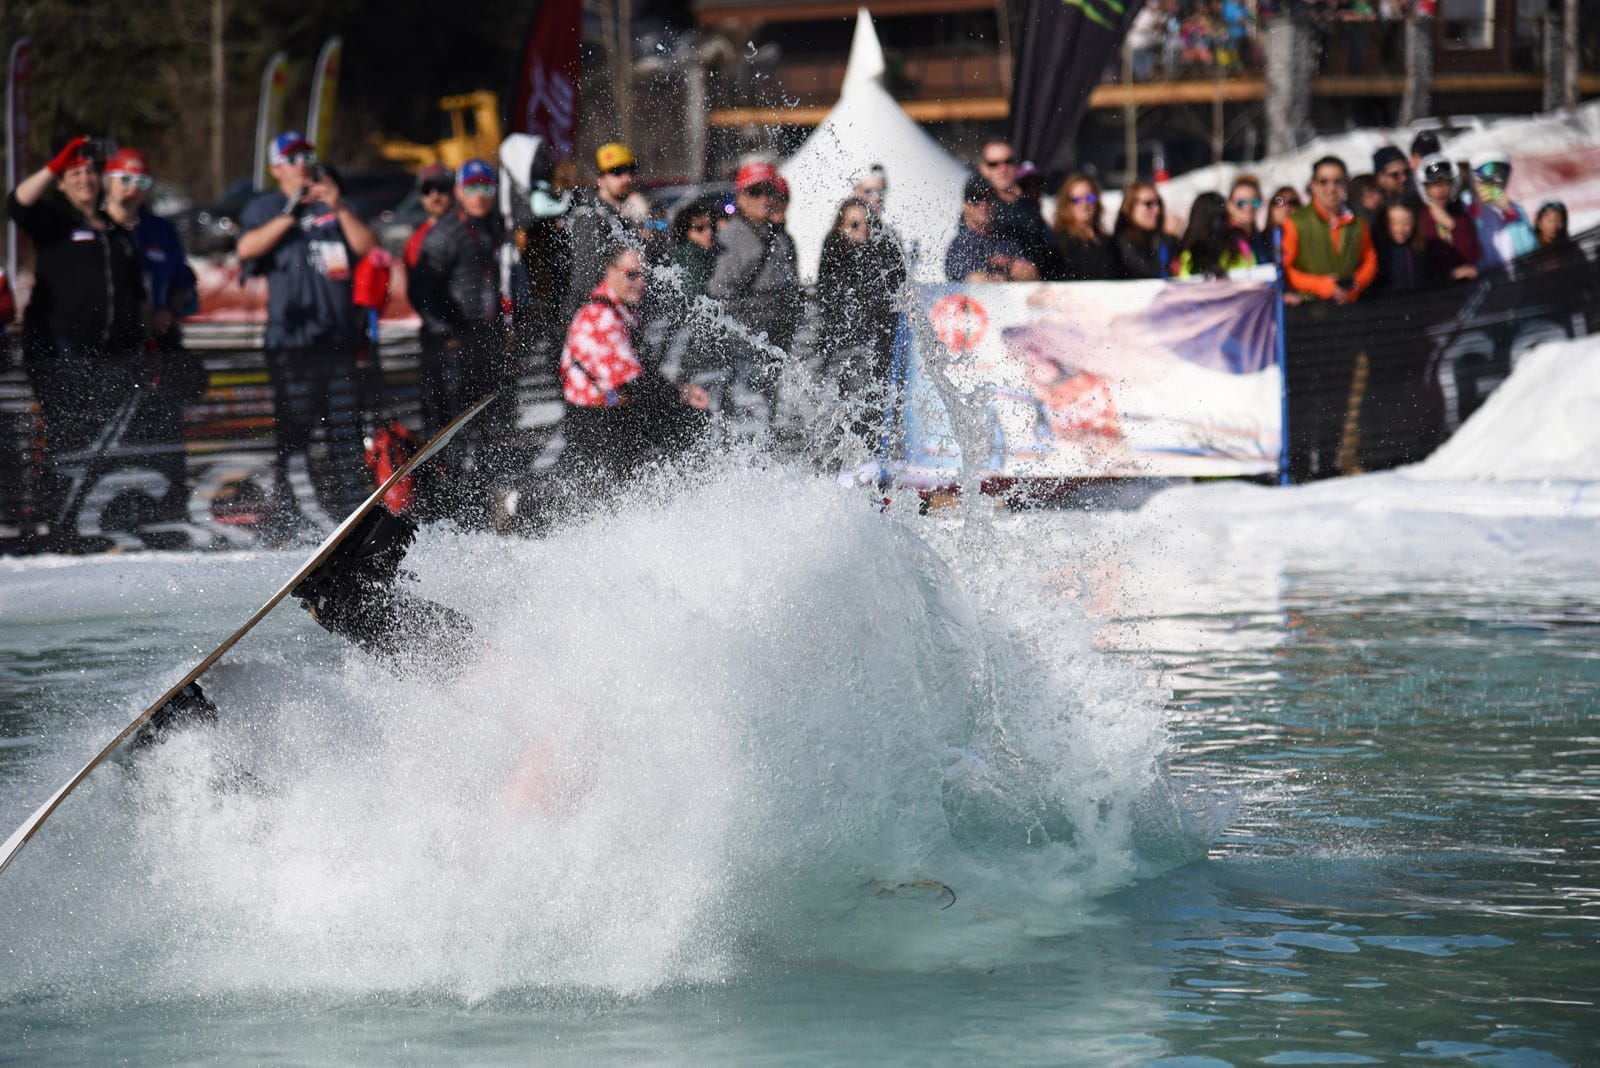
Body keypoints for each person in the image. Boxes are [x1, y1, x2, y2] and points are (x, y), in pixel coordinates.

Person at [5, 135, 147, 543]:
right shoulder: (55, 221)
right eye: (74, 173)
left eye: (88, 171)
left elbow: (136, 294)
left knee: (109, 440)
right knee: (68, 436)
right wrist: (54, 165)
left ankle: (99, 518)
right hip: (61, 350)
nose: (84, 178)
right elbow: (18, 204)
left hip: (116, 355)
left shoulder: (116, 231)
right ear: (63, 183)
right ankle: (59, 523)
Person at [237, 131, 378, 533]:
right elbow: (247, 249)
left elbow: (368, 247)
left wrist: (338, 205)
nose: (302, 163)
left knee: (345, 437)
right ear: (276, 167)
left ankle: (356, 516)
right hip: (292, 347)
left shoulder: (331, 203)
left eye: (306, 155)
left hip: (339, 344)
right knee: (295, 437)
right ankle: (288, 519)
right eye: (292, 157)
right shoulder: (266, 206)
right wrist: (288, 213)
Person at [407, 159, 508, 523]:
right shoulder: (447, 233)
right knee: (450, 432)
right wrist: (446, 331)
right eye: (472, 187)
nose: (480, 195)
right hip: (450, 350)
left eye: (487, 187)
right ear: (459, 192)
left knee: (485, 430)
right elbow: (419, 289)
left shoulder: (493, 228)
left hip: (484, 345)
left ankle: (479, 503)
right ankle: (447, 508)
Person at [559, 242, 709, 484]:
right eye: (631, 275)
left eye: (644, 275)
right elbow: (636, 380)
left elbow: (642, 370)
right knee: (686, 424)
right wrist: (682, 395)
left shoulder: (621, 310)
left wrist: (681, 391)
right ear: (610, 271)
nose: (641, 282)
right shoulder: (601, 315)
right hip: (595, 421)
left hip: (614, 413)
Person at [704, 160, 801, 429]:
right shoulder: (732, 237)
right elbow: (718, 292)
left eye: (770, 191)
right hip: (746, 339)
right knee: (749, 407)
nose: (765, 199)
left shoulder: (780, 237)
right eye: (755, 192)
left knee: (774, 407)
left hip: (778, 336)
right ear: (740, 196)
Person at [816, 196, 906, 441]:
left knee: (873, 405)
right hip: (842, 346)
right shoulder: (834, 250)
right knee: (844, 409)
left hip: (874, 344)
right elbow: (829, 299)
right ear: (841, 227)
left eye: (867, 223)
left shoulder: (881, 249)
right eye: (854, 225)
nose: (862, 230)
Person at [1280, 155, 1377, 304]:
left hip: (1349, 307)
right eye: (1323, 182)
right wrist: (1322, 285)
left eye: (1337, 182)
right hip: (1310, 309)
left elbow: (1370, 261)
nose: (1331, 188)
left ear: (1345, 184)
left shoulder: (1357, 222)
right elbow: (1285, 270)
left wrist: (1355, 285)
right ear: (1313, 185)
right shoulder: (1296, 222)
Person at [564, 142, 638, 320]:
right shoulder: (590, 217)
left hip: (613, 314)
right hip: (593, 318)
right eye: (617, 172)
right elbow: (585, 278)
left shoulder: (619, 218)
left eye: (631, 170)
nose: (626, 178)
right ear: (599, 178)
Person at [978, 139, 1061, 279]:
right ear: (983, 169)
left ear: (1016, 164)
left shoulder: (1029, 206)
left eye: (1008, 161)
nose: (1002, 168)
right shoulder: (980, 207)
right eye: (994, 164)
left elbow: (1046, 256)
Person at [945, 173, 1039, 283]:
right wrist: (1009, 272)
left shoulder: (1006, 240)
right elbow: (975, 282)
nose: (984, 205)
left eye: (989, 198)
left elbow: (1033, 275)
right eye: (977, 199)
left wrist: (1008, 263)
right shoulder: (961, 245)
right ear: (966, 206)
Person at [1468, 152, 1537, 271]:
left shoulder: (1515, 209)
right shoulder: (1466, 206)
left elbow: (1530, 248)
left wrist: (1510, 213)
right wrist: (1475, 208)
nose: (1496, 181)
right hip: (1486, 283)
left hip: (1516, 279)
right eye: (1488, 176)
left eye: (1501, 175)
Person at [1174, 191, 1256, 278]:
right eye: (1214, 218)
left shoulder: (1239, 245)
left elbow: (1253, 275)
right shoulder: (1185, 255)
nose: (1219, 225)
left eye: (1223, 217)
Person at [1373, 201, 1444, 295]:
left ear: (1415, 223)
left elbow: (1434, 276)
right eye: (1393, 223)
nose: (1400, 229)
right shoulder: (1378, 251)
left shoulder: (1422, 248)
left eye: (1406, 223)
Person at [1109, 180, 1177, 279]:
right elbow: (1153, 275)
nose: (1156, 210)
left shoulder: (1154, 237)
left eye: (1158, 203)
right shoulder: (1123, 243)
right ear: (1130, 207)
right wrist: (1168, 238)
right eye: (1148, 204)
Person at [1050, 173, 1111, 281]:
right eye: (1076, 199)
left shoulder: (1108, 242)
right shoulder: (1059, 243)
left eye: (1089, 198)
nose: (1084, 204)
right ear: (1066, 204)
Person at [403, 163, 455, 271]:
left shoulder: (470, 230)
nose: (435, 196)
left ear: (454, 191)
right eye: (427, 189)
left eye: (441, 188)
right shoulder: (415, 241)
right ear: (421, 196)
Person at [1227, 174, 1274, 264]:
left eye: (1255, 202)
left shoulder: (1260, 240)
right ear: (1229, 206)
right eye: (1241, 203)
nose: (1249, 207)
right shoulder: (1221, 239)